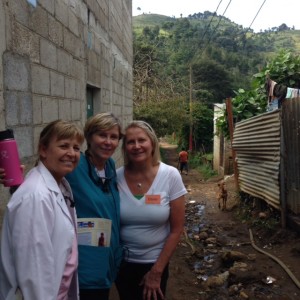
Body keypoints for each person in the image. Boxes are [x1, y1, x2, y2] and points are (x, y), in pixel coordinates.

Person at [0, 120, 84, 300]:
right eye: (64, 146)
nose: (71, 153)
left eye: (76, 148)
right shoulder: (36, 197)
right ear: (43, 150)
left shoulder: (59, 185)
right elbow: (34, 273)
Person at [115, 121, 186, 300]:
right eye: (131, 142)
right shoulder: (115, 177)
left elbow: (177, 229)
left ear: (152, 143)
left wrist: (156, 271)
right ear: (125, 147)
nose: (137, 146)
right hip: (122, 265)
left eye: (142, 140)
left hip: (155, 263)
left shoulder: (170, 175)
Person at [65, 112, 123, 300]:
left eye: (113, 137)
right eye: (102, 135)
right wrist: (15, 182)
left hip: (107, 261)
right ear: (89, 137)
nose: (108, 142)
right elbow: (42, 181)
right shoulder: (74, 164)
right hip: (83, 267)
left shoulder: (110, 166)